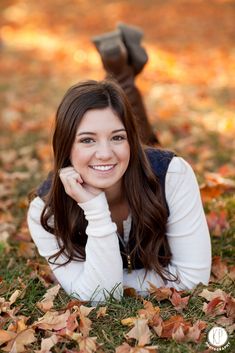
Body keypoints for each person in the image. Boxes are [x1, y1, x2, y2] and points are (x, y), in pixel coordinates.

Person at [27, 78, 212, 303]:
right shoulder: (46, 211)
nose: (105, 153)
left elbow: (194, 278)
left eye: (117, 137)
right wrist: (95, 210)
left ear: (131, 141)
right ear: (66, 147)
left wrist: (102, 278)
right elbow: (101, 296)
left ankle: (124, 75)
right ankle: (122, 73)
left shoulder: (172, 175)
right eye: (87, 140)